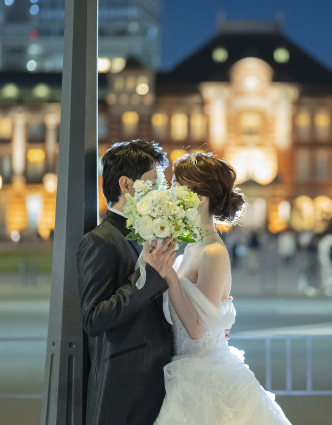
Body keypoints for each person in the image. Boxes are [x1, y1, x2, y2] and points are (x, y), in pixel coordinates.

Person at [154, 152, 291, 424]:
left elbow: (197, 329)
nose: (170, 192)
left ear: (199, 198)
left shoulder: (214, 252)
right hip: (186, 369)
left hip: (205, 375)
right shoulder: (192, 247)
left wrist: (169, 276)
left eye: (176, 186)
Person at [77, 140, 178, 425]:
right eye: (154, 182)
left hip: (152, 382)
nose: (161, 191)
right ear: (126, 184)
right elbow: (94, 318)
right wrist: (148, 277)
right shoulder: (101, 240)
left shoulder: (141, 234)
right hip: (123, 387)